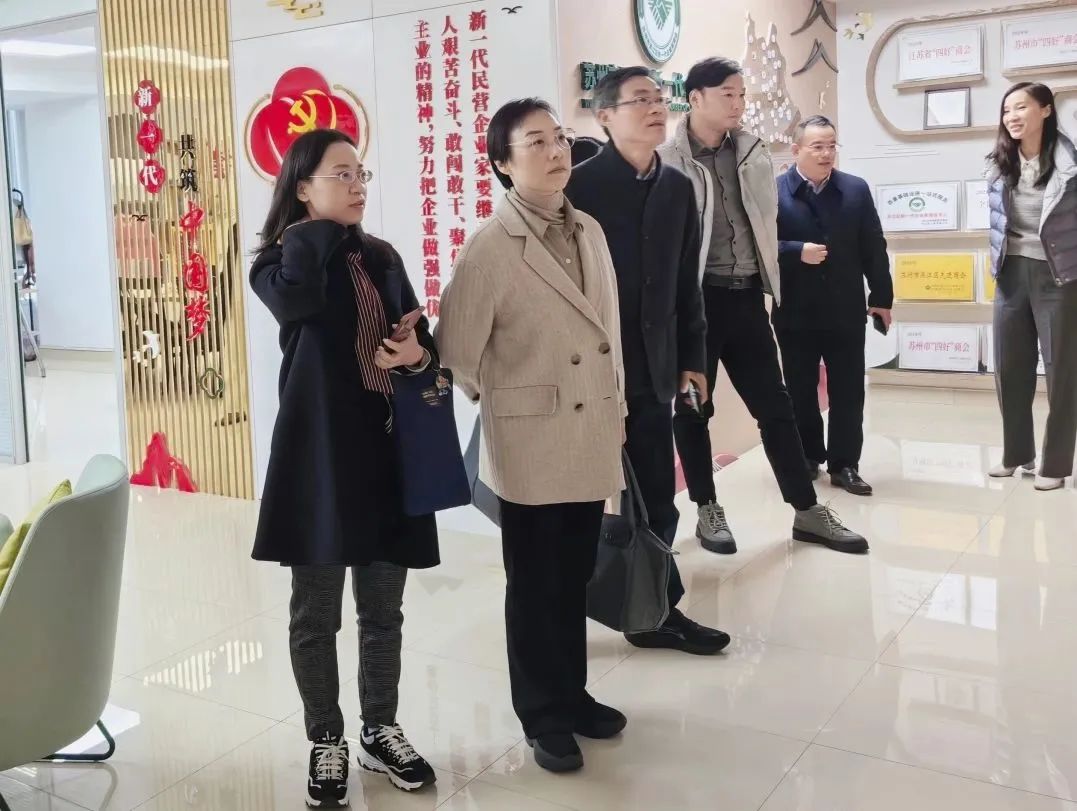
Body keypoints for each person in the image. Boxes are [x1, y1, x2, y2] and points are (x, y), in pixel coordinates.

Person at [437, 99, 629, 774]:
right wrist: (509, 402)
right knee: (534, 582)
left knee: (574, 573)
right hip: (530, 440)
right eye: (536, 142)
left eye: (559, 139)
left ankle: (572, 695)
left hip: (590, 428)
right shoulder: (491, 247)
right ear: (502, 163)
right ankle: (541, 713)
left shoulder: (589, 230)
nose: (555, 153)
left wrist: (617, 407)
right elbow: (457, 352)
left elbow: (608, 332)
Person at [249, 129, 438, 805]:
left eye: (361, 173)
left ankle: (379, 728)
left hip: (386, 453)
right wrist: (311, 232)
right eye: (341, 174)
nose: (358, 185)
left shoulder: (381, 257)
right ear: (302, 186)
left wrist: (415, 353)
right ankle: (325, 737)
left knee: (382, 611)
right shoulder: (280, 261)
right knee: (316, 613)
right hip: (320, 462)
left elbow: (424, 345)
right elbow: (296, 302)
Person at [658, 57, 868, 554]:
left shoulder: (751, 151)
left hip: (748, 295)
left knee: (776, 407)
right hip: (696, 303)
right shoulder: (667, 161)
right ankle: (707, 509)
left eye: (741, 95)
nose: (738, 104)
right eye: (727, 94)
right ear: (695, 98)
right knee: (693, 409)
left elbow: (766, 221)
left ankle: (806, 510)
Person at [566, 67, 731, 655]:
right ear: (604, 116)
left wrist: (692, 357)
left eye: (660, 99)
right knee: (579, 501)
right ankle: (564, 611)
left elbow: (687, 283)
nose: (656, 108)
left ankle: (654, 611)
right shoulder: (576, 188)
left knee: (658, 494)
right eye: (640, 100)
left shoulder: (678, 188)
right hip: (586, 376)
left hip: (653, 370)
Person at [774, 115, 893, 496]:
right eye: (817, 147)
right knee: (800, 389)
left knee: (848, 391)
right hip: (794, 310)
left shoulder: (855, 189)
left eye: (831, 146)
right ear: (796, 150)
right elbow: (758, 247)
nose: (827, 154)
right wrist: (796, 251)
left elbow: (873, 245)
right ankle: (808, 457)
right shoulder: (773, 191)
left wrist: (881, 298)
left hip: (844, 308)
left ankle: (845, 465)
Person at [987, 82, 1077, 491]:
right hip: (1010, 274)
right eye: (1007, 110)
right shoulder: (998, 163)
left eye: (1021, 107)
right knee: (1009, 368)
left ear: (1045, 110)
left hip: (1058, 275)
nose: (1012, 117)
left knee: (1062, 372)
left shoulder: (1069, 164)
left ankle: (1055, 465)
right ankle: (1016, 454)